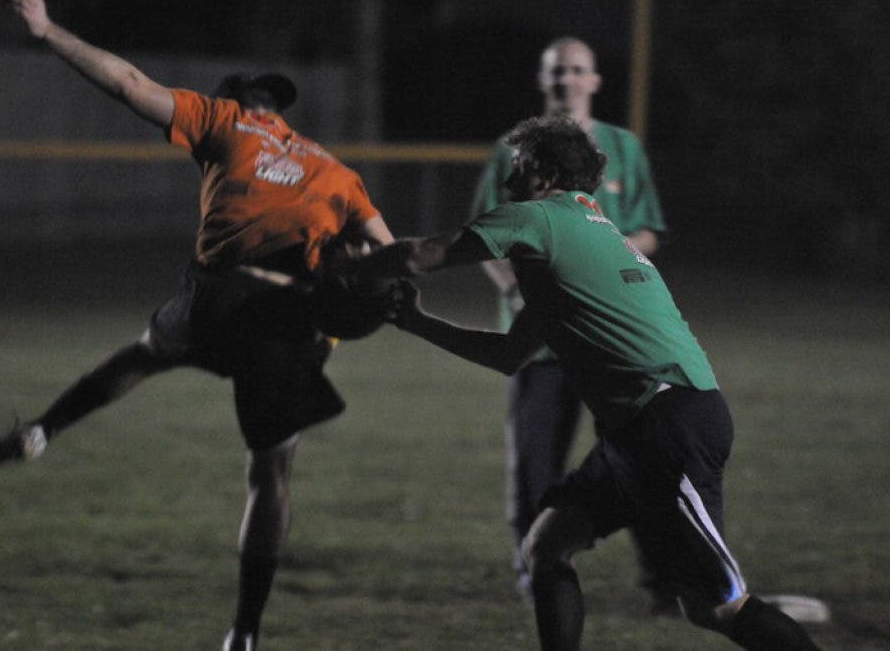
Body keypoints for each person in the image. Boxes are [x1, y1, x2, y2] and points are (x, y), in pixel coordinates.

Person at [0, 0, 394, 651]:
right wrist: (353, 307)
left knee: (142, 354)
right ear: (278, 109)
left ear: (239, 101)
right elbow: (387, 259)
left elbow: (128, 83)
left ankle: (41, 432)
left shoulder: (222, 121)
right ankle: (244, 634)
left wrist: (48, 31)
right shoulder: (334, 170)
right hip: (285, 322)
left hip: (215, 302)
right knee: (271, 473)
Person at [350, 116, 821, 650]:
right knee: (546, 547)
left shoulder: (540, 219)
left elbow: (418, 255)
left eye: (519, 171)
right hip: (637, 435)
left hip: (670, 427)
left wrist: (337, 271)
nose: (507, 185)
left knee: (719, 606)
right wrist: (417, 323)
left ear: (546, 176)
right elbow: (509, 355)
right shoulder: (584, 238)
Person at [471, 37, 668, 604]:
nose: (567, 81)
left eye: (578, 70)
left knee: (638, 457)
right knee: (535, 465)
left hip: (611, 338)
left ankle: (664, 580)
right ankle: (537, 573)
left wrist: (601, 261)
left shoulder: (623, 148)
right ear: (543, 80)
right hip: (545, 344)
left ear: (596, 80)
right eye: (557, 72)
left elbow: (650, 227)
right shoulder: (512, 150)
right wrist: (523, 291)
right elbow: (487, 238)